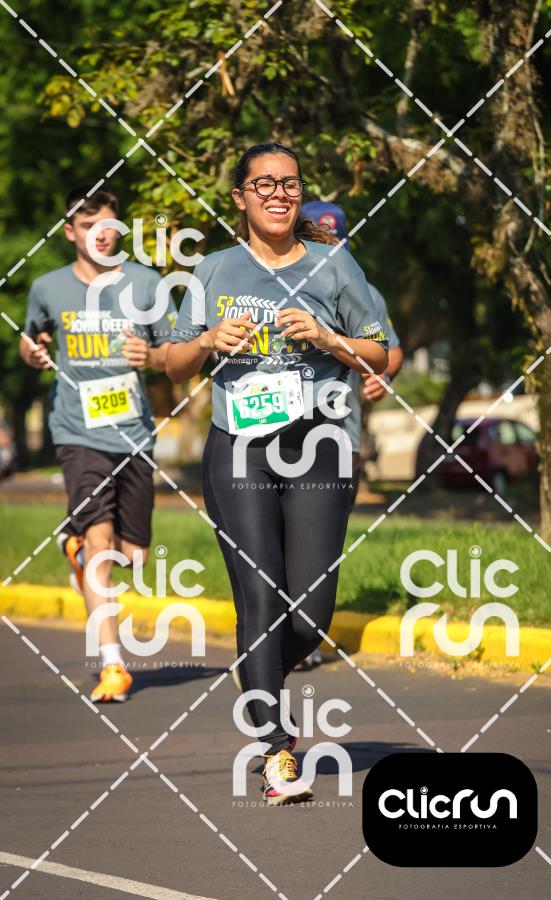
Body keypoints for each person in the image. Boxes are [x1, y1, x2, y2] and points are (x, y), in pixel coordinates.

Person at [165, 142, 389, 805]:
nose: (278, 195)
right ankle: (275, 746)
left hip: (319, 444)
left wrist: (327, 338)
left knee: (311, 612)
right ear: (240, 197)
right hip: (240, 448)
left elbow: (382, 352)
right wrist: (207, 342)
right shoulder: (212, 269)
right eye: (263, 184)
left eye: (289, 184)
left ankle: (256, 670)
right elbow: (173, 363)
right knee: (260, 597)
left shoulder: (333, 263)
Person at [20, 185, 176, 703]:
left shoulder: (146, 283)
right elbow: (30, 341)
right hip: (77, 431)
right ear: (70, 232)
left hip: (134, 432)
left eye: (107, 225)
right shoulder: (47, 288)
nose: (99, 235)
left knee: (135, 554)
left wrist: (153, 358)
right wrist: (32, 351)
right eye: (87, 226)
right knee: (101, 545)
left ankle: (75, 545)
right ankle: (114, 666)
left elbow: (174, 353)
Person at [301, 201, 403, 504]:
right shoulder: (274, 286)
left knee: (328, 531)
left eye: (333, 248)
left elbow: (393, 350)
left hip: (344, 438)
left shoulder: (367, 294)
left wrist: (383, 376)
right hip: (275, 436)